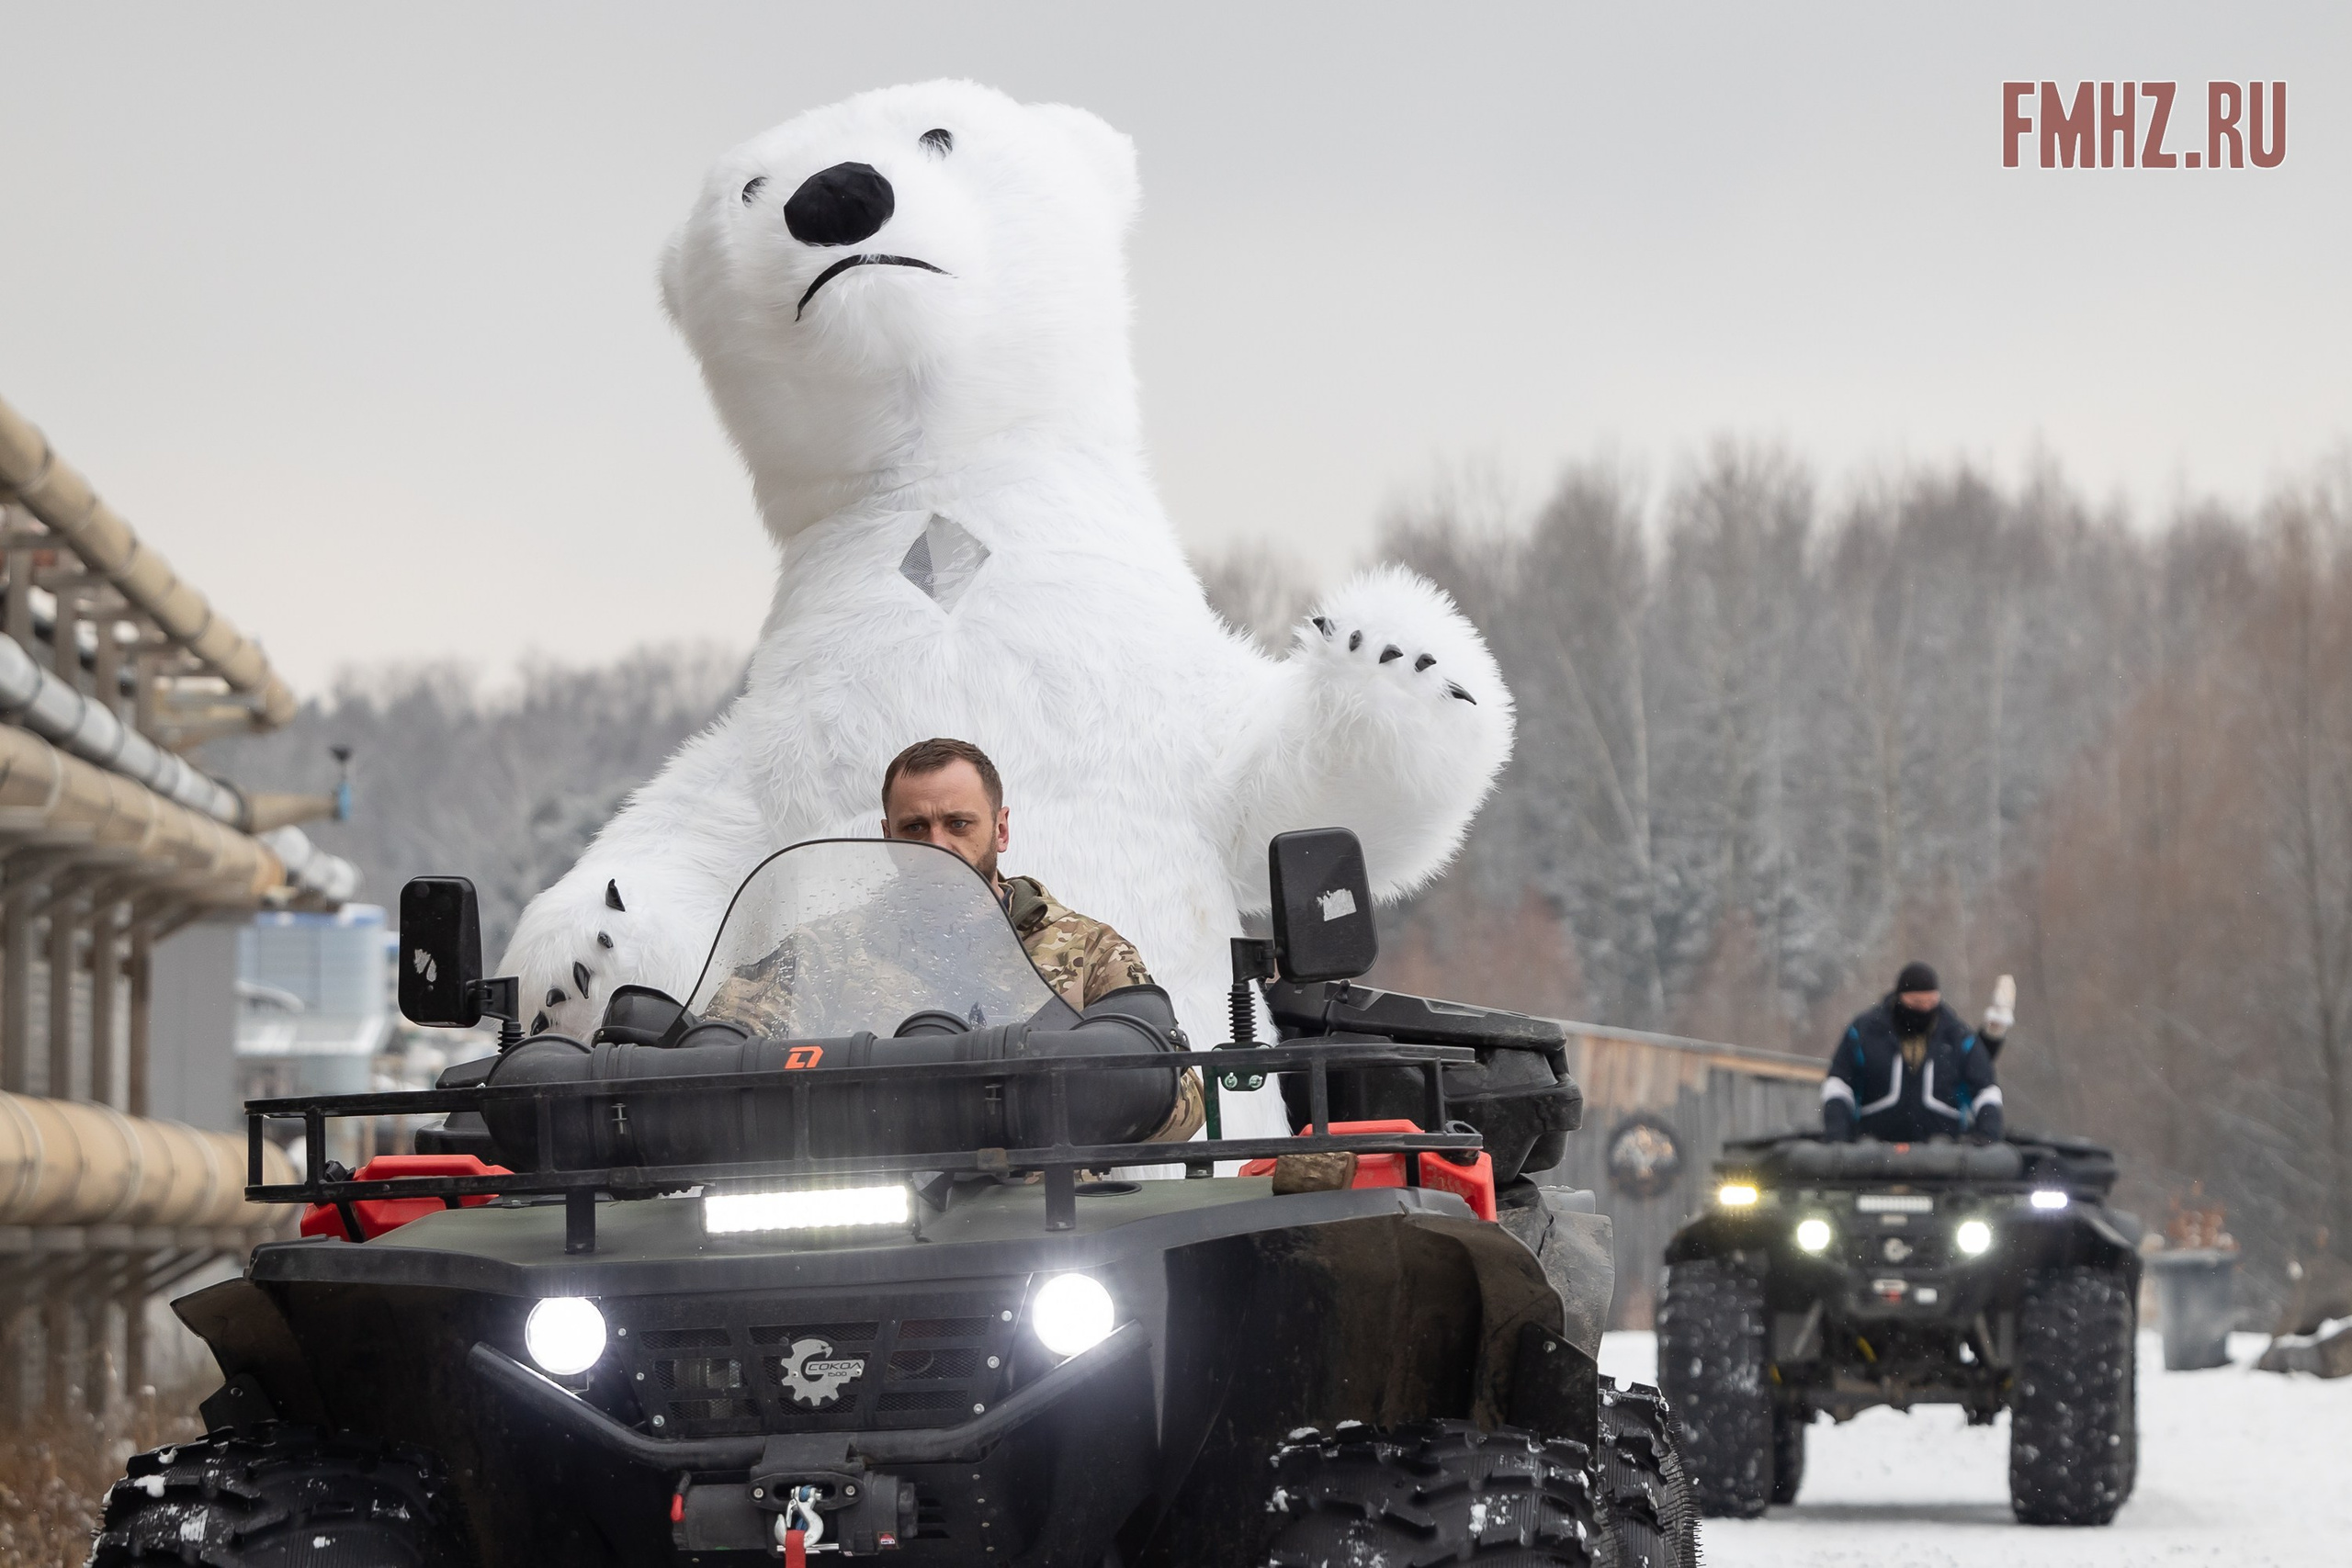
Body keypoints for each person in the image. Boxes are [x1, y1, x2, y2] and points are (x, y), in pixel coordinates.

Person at [880, 737, 1203, 1145]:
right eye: (915, 828)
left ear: (1000, 829)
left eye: (958, 824)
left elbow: (1184, 1100)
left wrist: (1048, 1086)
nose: (938, 845)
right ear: (887, 837)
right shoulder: (827, 951)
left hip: (1056, 1195)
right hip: (882, 1199)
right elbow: (774, 1078)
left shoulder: (1090, 949)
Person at [1821, 961, 2007, 1144]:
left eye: (1931, 1002)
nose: (1925, 1009)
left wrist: (1988, 1133)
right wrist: (1838, 1133)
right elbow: (1839, 1084)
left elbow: (1984, 1088)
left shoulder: (1958, 1037)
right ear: (1900, 998)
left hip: (1946, 1153)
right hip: (1873, 1149)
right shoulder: (1865, 1032)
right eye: (1917, 1003)